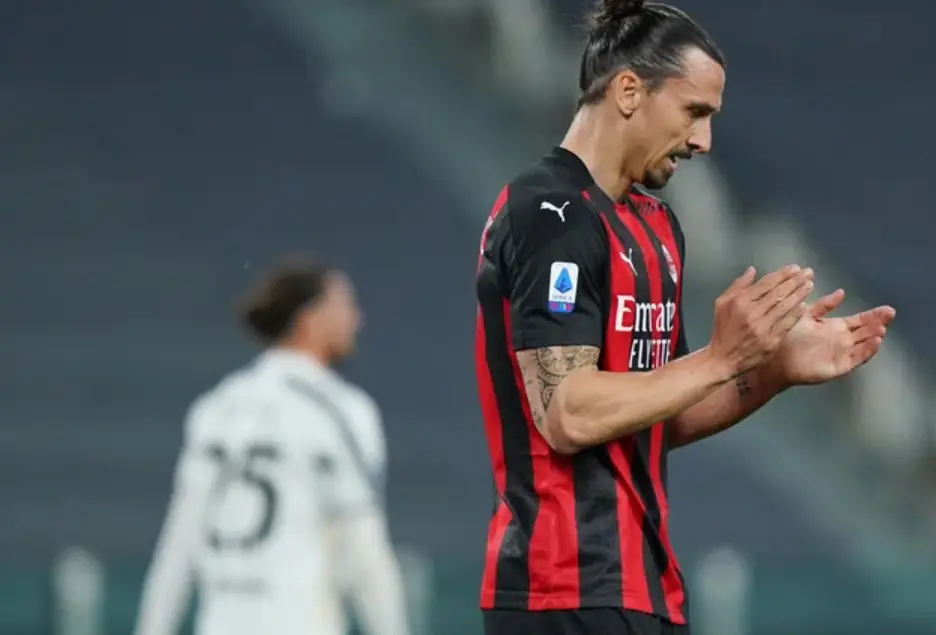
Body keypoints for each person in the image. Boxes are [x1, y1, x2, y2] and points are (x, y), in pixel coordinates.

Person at [473, 1, 897, 634]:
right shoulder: (549, 214)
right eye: (694, 112)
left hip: (645, 586)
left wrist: (773, 369)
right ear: (628, 92)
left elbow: (662, 415)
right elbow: (568, 413)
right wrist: (722, 357)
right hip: (559, 589)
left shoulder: (656, 227)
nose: (704, 141)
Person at [134, 255, 409, 635]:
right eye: (345, 306)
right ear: (310, 318)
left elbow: (178, 548)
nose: (356, 319)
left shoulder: (216, 409)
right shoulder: (342, 411)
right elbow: (366, 551)